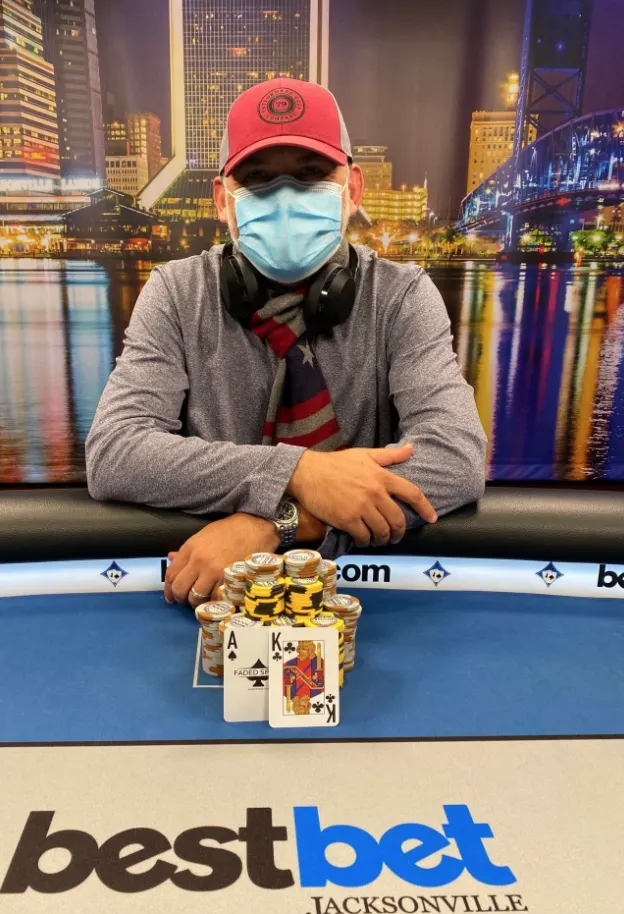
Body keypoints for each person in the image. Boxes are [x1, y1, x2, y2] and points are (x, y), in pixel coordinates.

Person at [86, 79, 486, 608]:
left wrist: (277, 523)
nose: (285, 197)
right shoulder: (177, 292)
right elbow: (115, 452)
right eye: (257, 178)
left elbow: (455, 458)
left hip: (359, 600)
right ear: (222, 200)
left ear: (353, 189)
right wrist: (302, 472)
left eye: (311, 173)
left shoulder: (401, 295)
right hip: (213, 602)